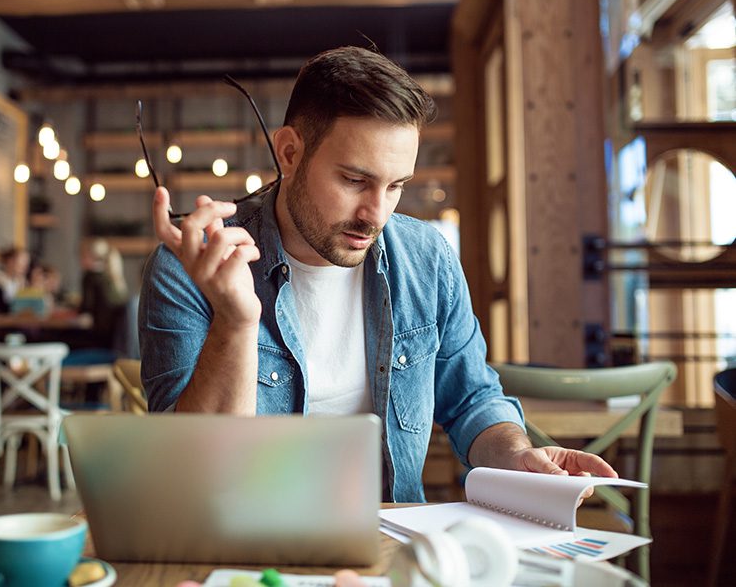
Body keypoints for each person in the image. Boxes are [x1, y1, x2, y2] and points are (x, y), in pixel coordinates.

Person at [139, 46, 616, 503]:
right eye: (354, 180)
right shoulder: (187, 271)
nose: (376, 214)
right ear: (289, 152)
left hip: (389, 538)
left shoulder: (427, 259)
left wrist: (516, 455)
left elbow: (471, 399)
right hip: (241, 545)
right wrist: (236, 321)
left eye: (396, 186)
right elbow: (190, 474)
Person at [80, 239, 128, 348]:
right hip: (115, 342)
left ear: (91, 257)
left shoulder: (90, 277)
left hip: (99, 341)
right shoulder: (114, 277)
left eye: (82, 256)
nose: (80, 260)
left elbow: (86, 310)